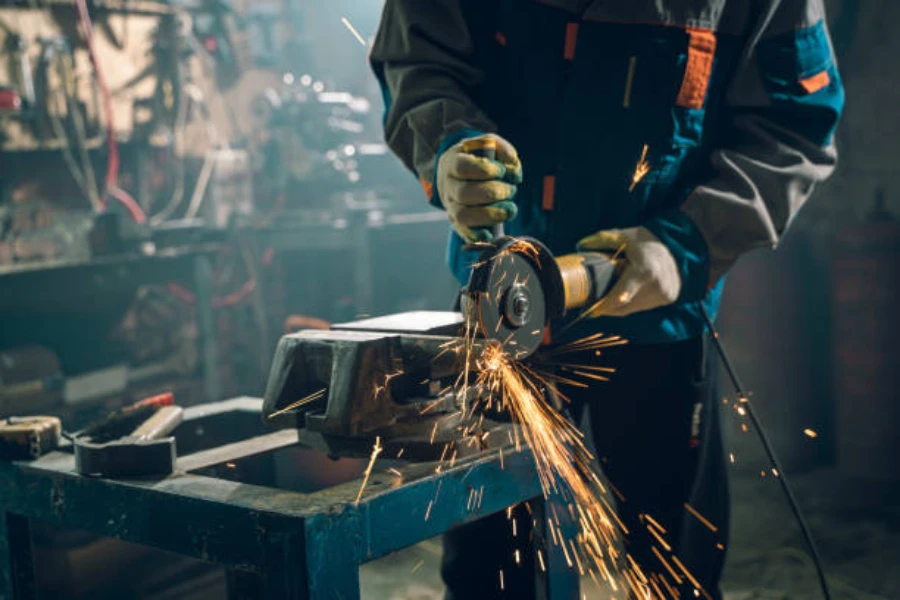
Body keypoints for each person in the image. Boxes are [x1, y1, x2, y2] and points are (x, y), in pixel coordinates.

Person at [370, 1, 844, 598]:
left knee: (675, 569)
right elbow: (418, 60)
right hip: (502, 309)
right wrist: (447, 147)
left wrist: (688, 243)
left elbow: (793, 125)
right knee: (489, 568)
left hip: (659, 311)